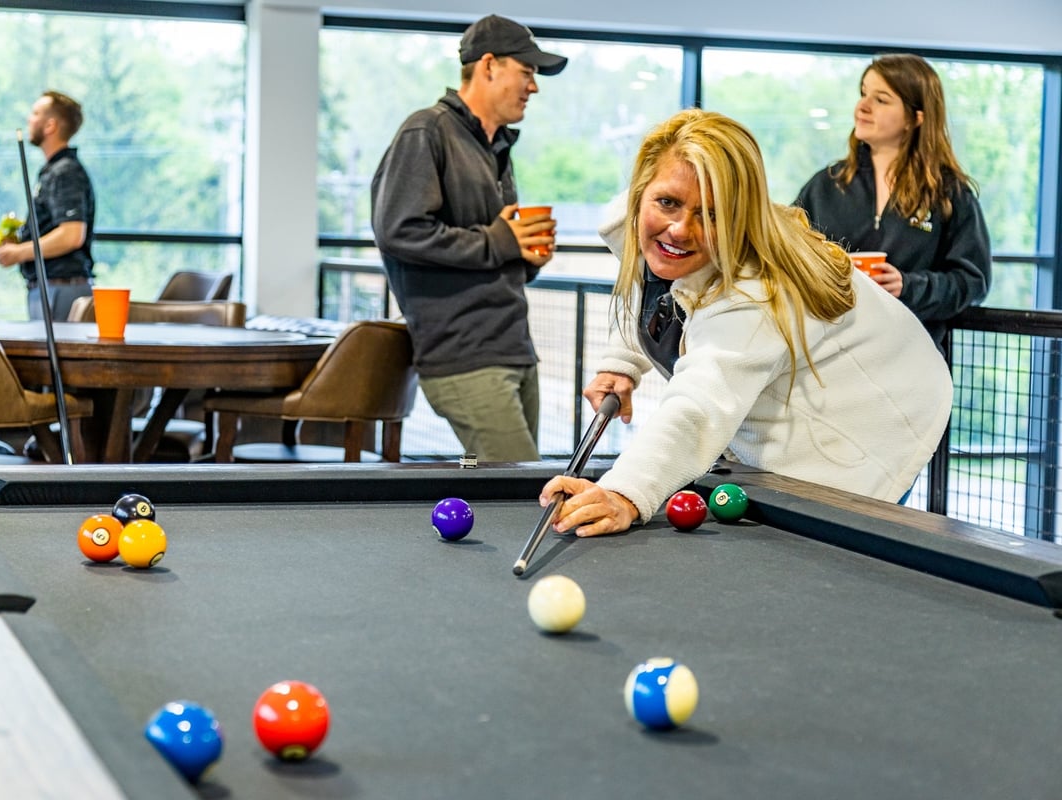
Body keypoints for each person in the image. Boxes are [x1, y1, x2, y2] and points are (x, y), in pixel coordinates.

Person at [539, 109, 954, 537]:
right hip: (835, 380)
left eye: (713, 215)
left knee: (817, 544)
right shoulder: (630, 221)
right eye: (668, 203)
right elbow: (642, 277)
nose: (680, 229)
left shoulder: (755, 289)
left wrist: (625, 492)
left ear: (742, 216)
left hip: (881, 413)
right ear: (641, 193)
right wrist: (620, 362)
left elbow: (698, 405)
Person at [370, 15, 567, 462]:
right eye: (528, 72)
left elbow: (495, 245)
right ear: (490, 65)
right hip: (465, 357)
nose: (533, 87)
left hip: (512, 347)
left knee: (501, 486)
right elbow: (400, 231)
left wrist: (526, 253)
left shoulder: (495, 147)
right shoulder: (427, 131)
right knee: (519, 489)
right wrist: (501, 241)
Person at [795, 54, 991, 350]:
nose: (862, 107)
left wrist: (909, 287)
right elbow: (785, 255)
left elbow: (972, 281)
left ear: (916, 118)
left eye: (881, 99)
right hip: (832, 359)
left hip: (912, 364)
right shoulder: (826, 185)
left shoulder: (949, 194)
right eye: (863, 94)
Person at [0, 90, 95, 321]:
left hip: (62, 289)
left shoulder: (66, 172)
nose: (29, 119)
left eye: (35, 113)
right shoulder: (52, 171)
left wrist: (19, 252)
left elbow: (71, 235)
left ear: (50, 125)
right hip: (46, 287)